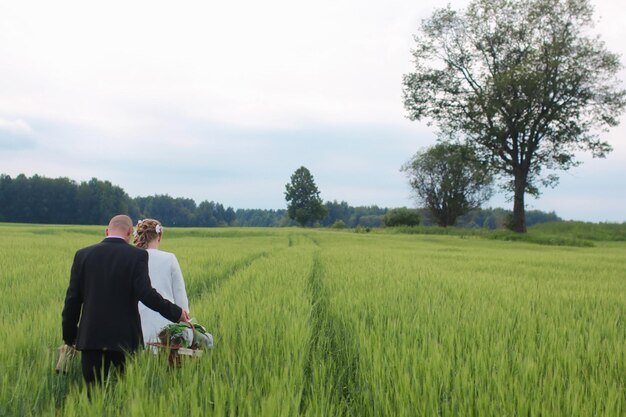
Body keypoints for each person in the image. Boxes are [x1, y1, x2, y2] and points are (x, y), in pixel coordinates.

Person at [61, 215, 190, 389]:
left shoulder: (83, 255)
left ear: (107, 231)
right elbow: (147, 295)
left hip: (91, 338)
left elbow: (72, 300)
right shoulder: (137, 256)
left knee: (93, 396)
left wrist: (70, 337)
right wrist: (176, 313)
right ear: (129, 233)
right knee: (128, 394)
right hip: (125, 341)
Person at [134, 219, 189, 345]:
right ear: (159, 237)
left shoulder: (132, 257)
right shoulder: (169, 258)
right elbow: (179, 292)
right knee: (164, 359)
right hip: (166, 320)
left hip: (136, 321)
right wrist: (184, 316)